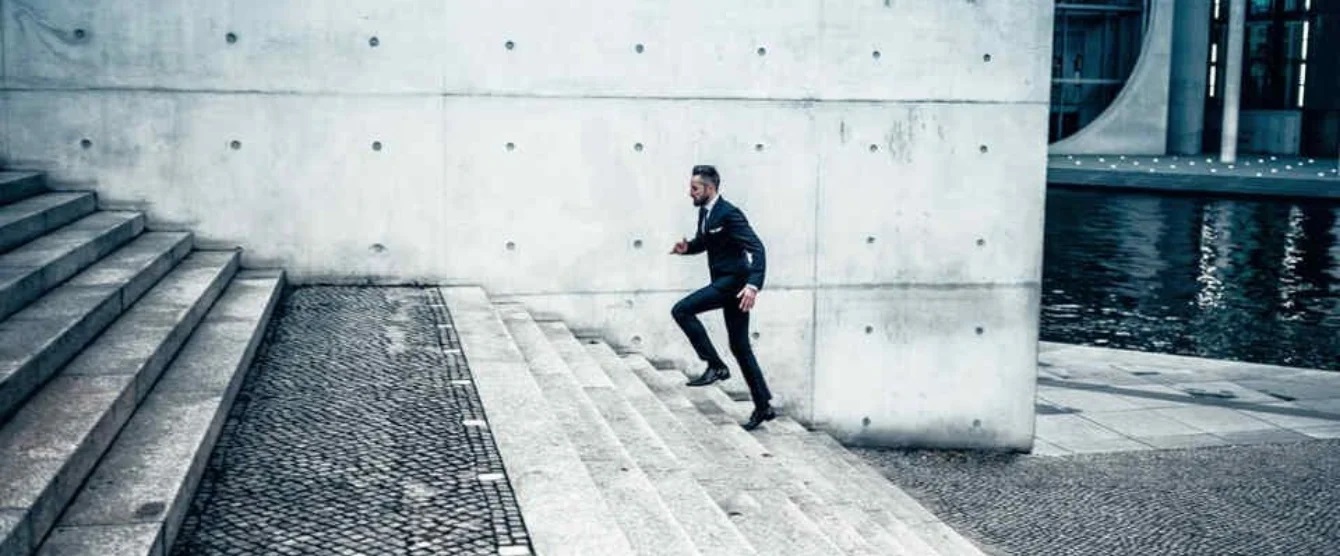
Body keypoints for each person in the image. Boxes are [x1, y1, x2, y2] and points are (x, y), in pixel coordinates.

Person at [669, 165, 775, 430]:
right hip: (726, 283)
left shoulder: (729, 213)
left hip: (734, 284)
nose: (690, 192)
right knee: (740, 346)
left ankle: (715, 366)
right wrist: (688, 248)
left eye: (694, 188)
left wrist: (753, 285)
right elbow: (707, 242)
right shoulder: (707, 213)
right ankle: (763, 406)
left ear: (709, 188)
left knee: (682, 310)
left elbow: (757, 248)